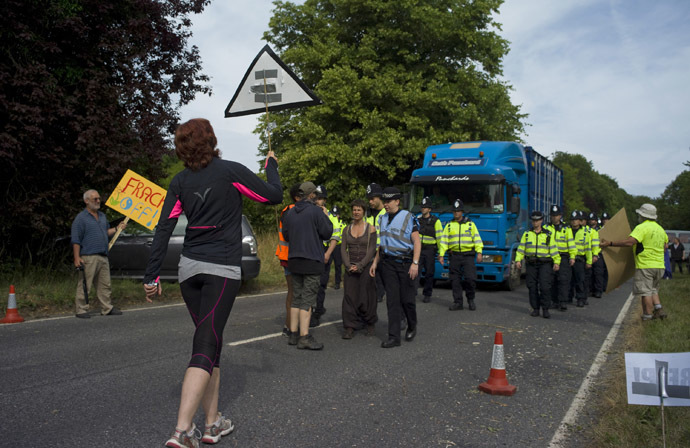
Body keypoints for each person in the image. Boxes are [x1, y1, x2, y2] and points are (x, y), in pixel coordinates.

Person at [143, 118, 282, 448]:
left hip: (188, 272)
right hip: (220, 269)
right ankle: (182, 431)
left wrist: (151, 276)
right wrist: (271, 166)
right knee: (206, 345)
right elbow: (273, 196)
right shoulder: (230, 171)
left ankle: (212, 424)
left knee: (211, 342)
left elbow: (163, 229)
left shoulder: (178, 181)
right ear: (211, 140)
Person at [282, 182, 333, 349]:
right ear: (311, 195)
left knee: (296, 297)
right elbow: (327, 232)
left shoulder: (289, 213)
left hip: (294, 259)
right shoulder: (316, 212)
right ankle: (304, 337)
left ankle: (293, 334)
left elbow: (286, 235)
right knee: (308, 299)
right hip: (311, 259)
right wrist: (325, 215)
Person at [369, 187, 421, 348]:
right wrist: (375, 262)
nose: (386, 204)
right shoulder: (382, 219)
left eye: (389, 201)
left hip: (406, 263)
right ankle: (394, 337)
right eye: (384, 201)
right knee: (392, 301)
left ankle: (412, 325)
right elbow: (382, 244)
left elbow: (417, 241)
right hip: (388, 263)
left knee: (407, 300)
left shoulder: (408, 217)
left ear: (397, 201)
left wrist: (415, 263)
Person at [601, 203, 668, 321]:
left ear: (643, 215)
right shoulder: (660, 229)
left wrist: (610, 243)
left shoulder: (642, 227)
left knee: (645, 292)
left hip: (645, 265)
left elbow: (629, 242)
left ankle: (647, 317)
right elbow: (665, 246)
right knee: (653, 289)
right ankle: (658, 308)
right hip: (660, 265)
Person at [71, 189, 127, 318]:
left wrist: (118, 228)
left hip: (103, 255)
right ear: (86, 201)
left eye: (98, 198)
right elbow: (76, 239)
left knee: (105, 284)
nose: (98, 201)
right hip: (88, 256)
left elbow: (105, 232)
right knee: (85, 284)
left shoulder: (102, 216)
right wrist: (76, 257)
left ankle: (106, 308)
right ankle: (81, 309)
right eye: (95, 199)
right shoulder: (81, 218)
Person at [340, 199, 378, 339]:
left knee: (366, 296)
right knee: (349, 297)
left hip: (365, 267)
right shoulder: (346, 229)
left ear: (364, 211)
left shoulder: (371, 229)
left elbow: (372, 249)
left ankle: (369, 323)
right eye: (354, 209)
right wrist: (348, 265)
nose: (356, 212)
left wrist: (361, 265)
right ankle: (350, 326)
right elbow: (343, 249)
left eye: (359, 210)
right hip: (350, 267)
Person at [438, 199, 483, 311]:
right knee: (455, 280)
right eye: (454, 211)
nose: (456, 213)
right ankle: (458, 302)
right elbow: (444, 241)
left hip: (468, 256)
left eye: (458, 211)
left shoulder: (470, 224)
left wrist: (479, 252)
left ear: (462, 211)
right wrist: (441, 255)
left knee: (470, 279)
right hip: (455, 256)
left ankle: (470, 299)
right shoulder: (449, 226)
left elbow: (477, 239)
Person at [515, 211, 561, 318]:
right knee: (532, 287)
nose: (535, 223)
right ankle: (535, 308)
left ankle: (545, 308)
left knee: (545, 287)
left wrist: (556, 262)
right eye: (533, 220)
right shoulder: (527, 234)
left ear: (541, 221)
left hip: (545, 264)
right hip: (531, 264)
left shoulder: (548, 234)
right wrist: (518, 260)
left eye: (537, 220)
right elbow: (521, 249)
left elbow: (554, 250)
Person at [312, 185, 341, 327]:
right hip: (311, 251)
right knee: (310, 284)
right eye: (316, 198)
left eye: (321, 199)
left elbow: (335, 236)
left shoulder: (330, 216)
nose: (318, 201)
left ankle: (317, 312)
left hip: (324, 251)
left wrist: (328, 253)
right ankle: (311, 310)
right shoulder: (309, 212)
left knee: (321, 284)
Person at [275, 183, 301, 337]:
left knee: (295, 292)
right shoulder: (292, 211)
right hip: (291, 257)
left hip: (289, 256)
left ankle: (291, 326)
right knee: (295, 291)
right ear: (297, 197)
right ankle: (291, 326)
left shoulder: (289, 210)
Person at [544, 205, 576, 311]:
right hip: (550, 258)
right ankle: (554, 301)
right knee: (551, 280)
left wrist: (572, 257)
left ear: (560, 216)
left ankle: (563, 301)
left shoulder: (566, 229)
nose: (554, 217)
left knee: (563, 280)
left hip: (563, 257)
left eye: (556, 215)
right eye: (552, 215)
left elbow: (571, 244)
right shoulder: (546, 228)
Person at [417, 196, 443, 303]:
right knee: (415, 272)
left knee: (429, 273)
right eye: (422, 207)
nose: (423, 209)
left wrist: (441, 253)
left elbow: (440, 238)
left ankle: (427, 294)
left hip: (429, 250)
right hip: (418, 249)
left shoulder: (435, 221)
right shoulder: (417, 219)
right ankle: (412, 292)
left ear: (430, 209)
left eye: (426, 207)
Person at [365, 182, 386, 303]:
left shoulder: (387, 213)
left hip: (383, 250)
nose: (370, 201)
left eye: (372, 198)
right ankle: (378, 293)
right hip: (370, 250)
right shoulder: (368, 213)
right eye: (369, 199)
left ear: (379, 197)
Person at [569, 211, 592, 307]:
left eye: (576, 220)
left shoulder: (585, 233)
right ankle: (568, 297)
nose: (574, 222)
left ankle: (581, 298)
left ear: (580, 221)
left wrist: (589, 261)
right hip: (569, 259)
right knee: (568, 280)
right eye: (572, 220)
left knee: (580, 280)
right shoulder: (567, 231)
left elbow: (588, 248)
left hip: (579, 259)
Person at [587, 212, 604, 298]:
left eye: (593, 220)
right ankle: (590, 289)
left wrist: (596, 254)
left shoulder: (601, 230)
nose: (591, 221)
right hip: (589, 253)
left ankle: (598, 290)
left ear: (596, 221)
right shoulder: (587, 230)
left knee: (598, 273)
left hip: (599, 253)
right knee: (589, 273)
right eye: (590, 220)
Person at [331, 205, 345, 290]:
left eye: (336, 214)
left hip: (338, 246)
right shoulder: (329, 222)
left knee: (338, 265)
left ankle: (337, 282)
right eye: (333, 214)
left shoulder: (342, 224)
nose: (335, 216)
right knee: (327, 265)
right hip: (329, 245)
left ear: (339, 215)